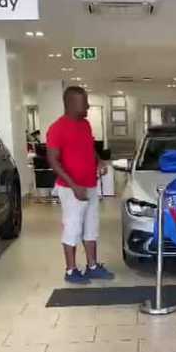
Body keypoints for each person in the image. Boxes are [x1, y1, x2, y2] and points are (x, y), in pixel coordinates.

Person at [46, 86, 115, 285]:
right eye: (84, 101)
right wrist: (73, 185)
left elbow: (89, 148)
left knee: (91, 227)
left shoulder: (85, 124)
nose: (87, 105)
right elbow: (53, 160)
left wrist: (99, 161)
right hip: (70, 188)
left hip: (90, 185)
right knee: (73, 228)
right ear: (71, 103)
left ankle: (92, 266)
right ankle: (71, 270)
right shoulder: (57, 128)